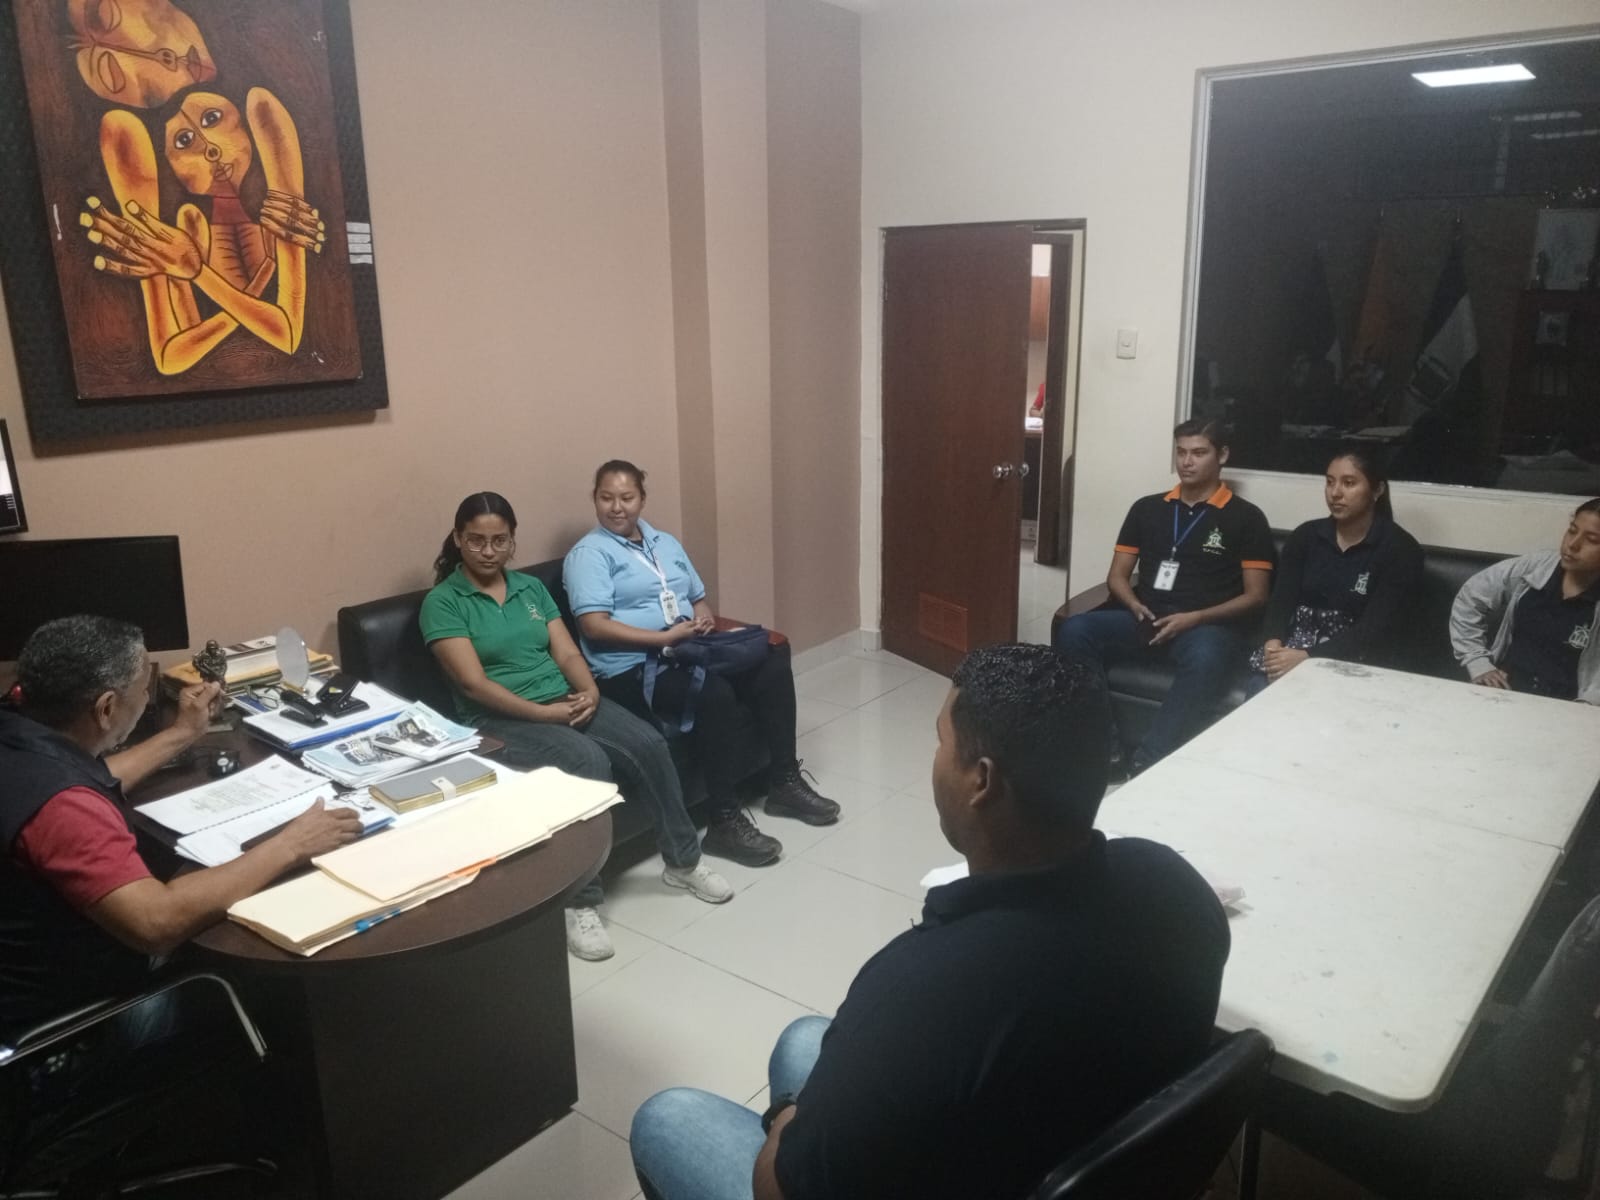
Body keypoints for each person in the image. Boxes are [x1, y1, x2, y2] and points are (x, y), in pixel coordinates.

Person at [628, 644, 1229, 1200]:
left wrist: (787, 1114)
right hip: (1069, 1140)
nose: (935, 759)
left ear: (981, 780)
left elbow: (777, 1190)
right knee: (803, 1039)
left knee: (668, 1118)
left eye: (941, 742)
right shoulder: (1175, 886)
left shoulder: (922, 989)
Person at [0, 615, 355, 1185]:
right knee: (263, 972)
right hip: (60, 1042)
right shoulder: (61, 807)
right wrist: (292, 843)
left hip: (23, 984)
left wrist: (180, 734)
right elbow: (157, 922)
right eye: (144, 689)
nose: (149, 698)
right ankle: (297, 1138)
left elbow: (88, 777)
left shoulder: (20, 736)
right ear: (107, 709)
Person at [420, 491, 731, 963]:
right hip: (496, 721)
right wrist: (545, 715)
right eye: (477, 540)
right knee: (585, 758)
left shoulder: (529, 588)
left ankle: (684, 861)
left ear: (512, 542)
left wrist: (589, 692)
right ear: (459, 539)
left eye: (499, 541)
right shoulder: (443, 602)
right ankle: (579, 902)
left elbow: (566, 652)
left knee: (649, 742)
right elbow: (472, 683)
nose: (488, 551)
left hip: (563, 697)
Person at [564, 461, 839, 870]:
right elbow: (594, 626)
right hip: (629, 667)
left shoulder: (664, 543)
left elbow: (696, 598)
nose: (617, 507)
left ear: (642, 499)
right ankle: (723, 820)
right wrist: (663, 639)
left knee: (771, 660)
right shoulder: (590, 554)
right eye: (607, 498)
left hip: (685, 647)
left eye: (626, 497)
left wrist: (703, 618)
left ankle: (783, 781)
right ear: (594, 499)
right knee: (712, 690)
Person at [1054, 418, 1274, 772]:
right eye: (1181, 452)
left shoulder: (1246, 518)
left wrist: (1196, 618)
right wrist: (1133, 604)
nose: (1187, 462)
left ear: (1222, 456)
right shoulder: (1147, 508)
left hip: (1204, 627)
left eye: (1198, 453)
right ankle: (1104, 748)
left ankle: (1148, 761)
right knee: (1075, 629)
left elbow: (1256, 596)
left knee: (1207, 656)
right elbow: (1117, 576)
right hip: (1146, 617)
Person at [1250, 449, 1423, 691]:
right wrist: (1273, 647)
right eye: (1330, 482)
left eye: (1349, 483)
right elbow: (1280, 603)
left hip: (1357, 658)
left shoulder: (1400, 548)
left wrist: (1307, 658)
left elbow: (1374, 629)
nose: (1335, 493)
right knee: (1259, 689)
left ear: (1377, 490)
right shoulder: (1306, 536)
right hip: (1294, 647)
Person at [1450, 499, 1600, 703]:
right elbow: (1471, 596)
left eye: (1592, 540)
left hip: (1569, 706)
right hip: (1504, 693)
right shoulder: (1536, 567)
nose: (1572, 545)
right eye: (1572, 531)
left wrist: (1584, 708)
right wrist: (1478, 662)